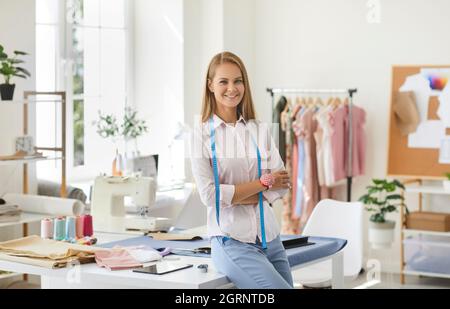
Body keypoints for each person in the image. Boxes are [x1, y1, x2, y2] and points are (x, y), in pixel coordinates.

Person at [190, 51, 293, 289]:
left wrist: (236, 195)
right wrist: (263, 184)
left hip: (271, 237)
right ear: (210, 86)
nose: (232, 88)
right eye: (223, 81)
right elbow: (209, 196)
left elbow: (283, 184)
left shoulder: (259, 129)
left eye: (238, 81)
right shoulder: (200, 136)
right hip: (231, 241)